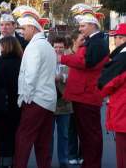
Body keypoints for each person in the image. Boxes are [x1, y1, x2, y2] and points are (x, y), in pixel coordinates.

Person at [58, 5, 109, 168]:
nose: (80, 29)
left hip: (87, 95)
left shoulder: (98, 42)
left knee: (90, 135)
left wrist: (62, 58)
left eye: (82, 25)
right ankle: (89, 163)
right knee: (87, 135)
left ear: (93, 24)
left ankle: (92, 164)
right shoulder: (94, 41)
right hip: (84, 95)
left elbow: (85, 62)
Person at [13, 7, 57, 168]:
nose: (22, 32)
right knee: (43, 142)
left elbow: (30, 76)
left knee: (23, 138)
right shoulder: (48, 46)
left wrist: (25, 98)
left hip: (35, 100)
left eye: (23, 29)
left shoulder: (34, 47)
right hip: (48, 101)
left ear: (32, 27)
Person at [98, 23, 126, 168]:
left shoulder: (122, 59)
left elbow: (107, 83)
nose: (115, 41)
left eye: (118, 37)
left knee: (122, 156)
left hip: (123, 113)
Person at [0, 36, 23, 168]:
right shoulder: (22, 62)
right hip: (17, 106)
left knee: (1, 138)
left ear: (5, 47)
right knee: (14, 137)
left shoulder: (0, 64)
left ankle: (3, 162)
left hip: (2, 107)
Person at [52, 36, 72, 168]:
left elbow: (75, 78)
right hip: (50, 103)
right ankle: (46, 161)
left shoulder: (69, 60)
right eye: (56, 47)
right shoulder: (47, 60)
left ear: (65, 48)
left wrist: (62, 77)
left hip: (65, 103)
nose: (58, 50)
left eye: (60, 47)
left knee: (64, 135)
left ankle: (64, 161)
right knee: (47, 136)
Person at [67, 30, 84, 165]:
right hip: (69, 97)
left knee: (84, 127)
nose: (84, 42)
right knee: (72, 128)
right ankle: (72, 154)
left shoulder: (86, 54)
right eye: (81, 40)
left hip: (83, 96)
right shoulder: (67, 54)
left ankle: (82, 154)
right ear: (74, 41)